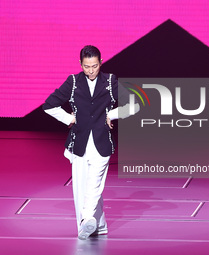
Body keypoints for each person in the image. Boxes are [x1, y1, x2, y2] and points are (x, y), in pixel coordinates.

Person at [43, 45, 138, 240]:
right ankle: (100, 225)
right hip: (79, 143)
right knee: (80, 187)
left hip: (102, 142)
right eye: (87, 67)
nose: (91, 70)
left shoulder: (110, 81)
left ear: (100, 63)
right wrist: (68, 118)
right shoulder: (73, 82)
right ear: (81, 64)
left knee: (94, 184)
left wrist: (112, 114)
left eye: (94, 66)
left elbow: (134, 104)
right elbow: (49, 105)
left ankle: (85, 222)